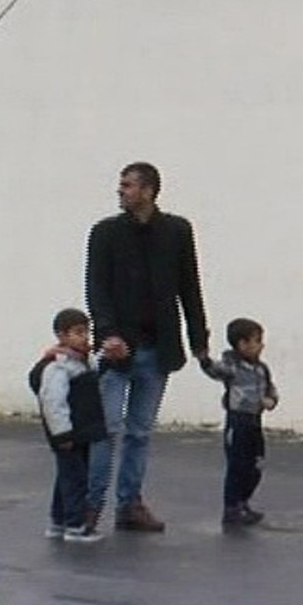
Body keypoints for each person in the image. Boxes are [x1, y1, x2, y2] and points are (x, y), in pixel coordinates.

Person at [85, 161, 210, 535]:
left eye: (128, 185)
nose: (120, 190)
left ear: (149, 190)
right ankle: (90, 506)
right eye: (121, 184)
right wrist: (107, 334)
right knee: (106, 429)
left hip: (158, 348)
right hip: (117, 350)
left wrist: (199, 342)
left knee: (139, 432)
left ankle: (130, 504)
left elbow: (189, 287)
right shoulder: (105, 233)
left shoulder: (176, 231)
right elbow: (96, 288)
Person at [35, 308, 107, 543]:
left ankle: (58, 521)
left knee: (67, 477)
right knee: (75, 479)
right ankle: (75, 525)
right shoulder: (58, 366)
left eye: (86, 332)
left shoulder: (84, 361)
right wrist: (62, 434)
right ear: (61, 335)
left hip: (82, 432)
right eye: (77, 332)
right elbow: (53, 402)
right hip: (68, 434)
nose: (84, 337)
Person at [198, 317, 279, 526]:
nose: (261, 345)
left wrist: (271, 400)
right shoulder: (232, 367)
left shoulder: (261, 369)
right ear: (242, 344)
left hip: (255, 422)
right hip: (238, 422)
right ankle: (232, 507)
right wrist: (203, 357)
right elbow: (214, 370)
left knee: (256, 465)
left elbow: (271, 389)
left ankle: (243, 501)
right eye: (257, 341)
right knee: (237, 466)